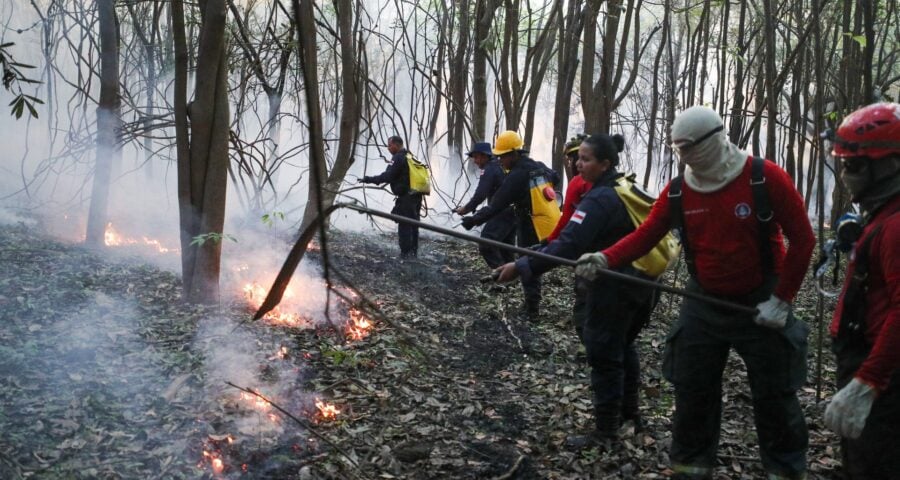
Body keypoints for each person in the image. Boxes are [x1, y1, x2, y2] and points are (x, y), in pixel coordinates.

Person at [577, 106, 815, 479]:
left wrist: (782, 300)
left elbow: (803, 239)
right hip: (704, 300)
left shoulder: (764, 178)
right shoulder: (679, 189)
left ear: (713, 140)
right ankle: (691, 466)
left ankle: (784, 470)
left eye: (688, 147)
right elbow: (646, 235)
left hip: (761, 298)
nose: (683, 156)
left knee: (775, 393)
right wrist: (605, 258)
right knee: (692, 389)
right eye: (677, 149)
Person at [494, 133, 658, 445]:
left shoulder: (600, 199)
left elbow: (570, 245)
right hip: (641, 284)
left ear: (605, 163)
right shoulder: (620, 187)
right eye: (576, 158)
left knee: (604, 352)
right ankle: (629, 415)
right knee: (623, 346)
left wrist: (521, 267)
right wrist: (536, 250)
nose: (577, 164)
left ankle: (606, 432)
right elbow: (567, 236)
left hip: (615, 288)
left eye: (585, 159)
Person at [823, 102, 900, 479]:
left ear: (888, 166)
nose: (846, 174)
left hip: (884, 374)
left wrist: (868, 382)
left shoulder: (896, 226)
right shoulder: (883, 215)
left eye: (854, 166)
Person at [461, 131, 559, 317]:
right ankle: (530, 303)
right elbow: (555, 178)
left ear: (513, 154)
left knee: (527, 261)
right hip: (547, 222)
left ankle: (531, 310)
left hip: (530, 223)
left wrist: (473, 220)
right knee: (528, 260)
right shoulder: (539, 166)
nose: (500, 161)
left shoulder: (517, 175)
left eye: (502, 157)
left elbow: (496, 205)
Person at [547, 134, 593, 338]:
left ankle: (586, 340)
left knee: (584, 294)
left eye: (573, 159)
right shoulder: (614, 182)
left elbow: (566, 222)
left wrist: (547, 243)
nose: (573, 164)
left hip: (591, 252)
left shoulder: (578, 182)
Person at [453, 142, 517, 268]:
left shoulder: (489, 169)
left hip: (501, 212)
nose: (475, 161)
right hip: (513, 212)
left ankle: (501, 278)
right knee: (506, 249)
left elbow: (480, 194)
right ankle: (511, 281)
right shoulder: (501, 166)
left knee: (486, 244)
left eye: (476, 157)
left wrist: (466, 209)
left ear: (484, 156)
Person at [359, 136, 424, 259]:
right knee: (414, 225)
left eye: (390, 145)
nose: (388, 148)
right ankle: (413, 254)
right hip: (416, 196)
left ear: (396, 145)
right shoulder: (410, 155)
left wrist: (368, 179)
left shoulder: (398, 157)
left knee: (404, 225)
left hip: (406, 198)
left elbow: (388, 176)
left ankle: (405, 256)